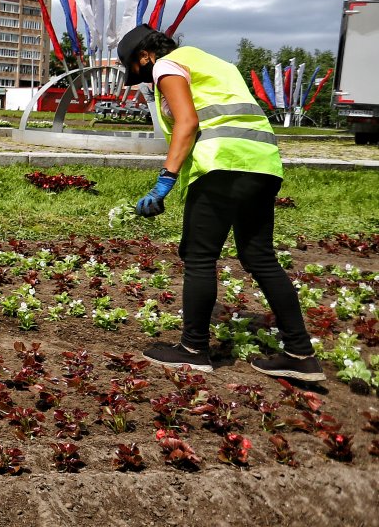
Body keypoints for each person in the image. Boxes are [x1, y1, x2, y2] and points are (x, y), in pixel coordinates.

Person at [119, 23, 323, 381]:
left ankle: (193, 348)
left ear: (145, 57)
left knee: (198, 256)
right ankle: (300, 353)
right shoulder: (214, 63)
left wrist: (164, 181)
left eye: (138, 72)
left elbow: (187, 123)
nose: (145, 82)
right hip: (263, 164)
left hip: (222, 166)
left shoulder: (168, 66)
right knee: (259, 257)